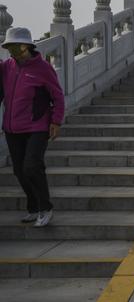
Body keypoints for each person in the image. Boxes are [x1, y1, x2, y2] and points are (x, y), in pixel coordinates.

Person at [1, 27, 65, 228]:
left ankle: (45, 208)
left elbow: (58, 96)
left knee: (32, 165)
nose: (11, 51)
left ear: (25, 46)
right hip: (12, 127)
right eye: (8, 47)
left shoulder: (43, 68)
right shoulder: (7, 67)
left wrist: (56, 121)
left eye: (14, 46)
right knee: (20, 171)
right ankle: (33, 208)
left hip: (37, 125)